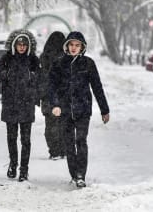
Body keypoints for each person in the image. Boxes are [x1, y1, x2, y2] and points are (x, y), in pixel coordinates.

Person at [49, 31, 110, 188]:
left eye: (77, 45)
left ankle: (81, 174)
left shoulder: (88, 64)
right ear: (67, 46)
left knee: (81, 140)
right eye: (71, 45)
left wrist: (104, 109)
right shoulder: (58, 63)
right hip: (65, 110)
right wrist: (55, 104)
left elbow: (97, 87)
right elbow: (52, 87)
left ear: (82, 47)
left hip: (83, 109)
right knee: (69, 143)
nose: (74, 48)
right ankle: (74, 173)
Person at [0, 29, 40, 182]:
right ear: (14, 44)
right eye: (19, 44)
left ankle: (24, 170)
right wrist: (7, 74)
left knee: (26, 140)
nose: (22, 47)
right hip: (10, 104)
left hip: (27, 105)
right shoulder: (7, 58)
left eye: (24, 44)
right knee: (11, 138)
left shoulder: (33, 60)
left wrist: (32, 79)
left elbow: (41, 78)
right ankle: (13, 164)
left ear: (28, 46)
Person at [39, 31, 66, 160]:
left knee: (50, 124)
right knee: (62, 123)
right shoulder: (64, 58)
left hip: (46, 96)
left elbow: (40, 77)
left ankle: (54, 150)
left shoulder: (43, 57)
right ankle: (62, 149)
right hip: (61, 95)